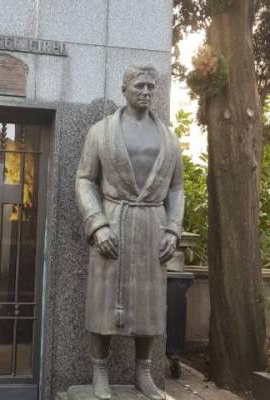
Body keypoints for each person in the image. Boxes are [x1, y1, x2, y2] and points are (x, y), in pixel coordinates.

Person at [75, 64, 184, 400]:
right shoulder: (101, 132)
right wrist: (97, 223)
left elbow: (177, 189)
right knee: (103, 301)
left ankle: (143, 372)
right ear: (124, 88)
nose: (147, 91)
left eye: (152, 86)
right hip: (114, 223)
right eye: (140, 85)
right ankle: (100, 371)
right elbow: (84, 179)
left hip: (153, 225)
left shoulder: (168, 137)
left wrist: (173, 230)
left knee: (150, 304)